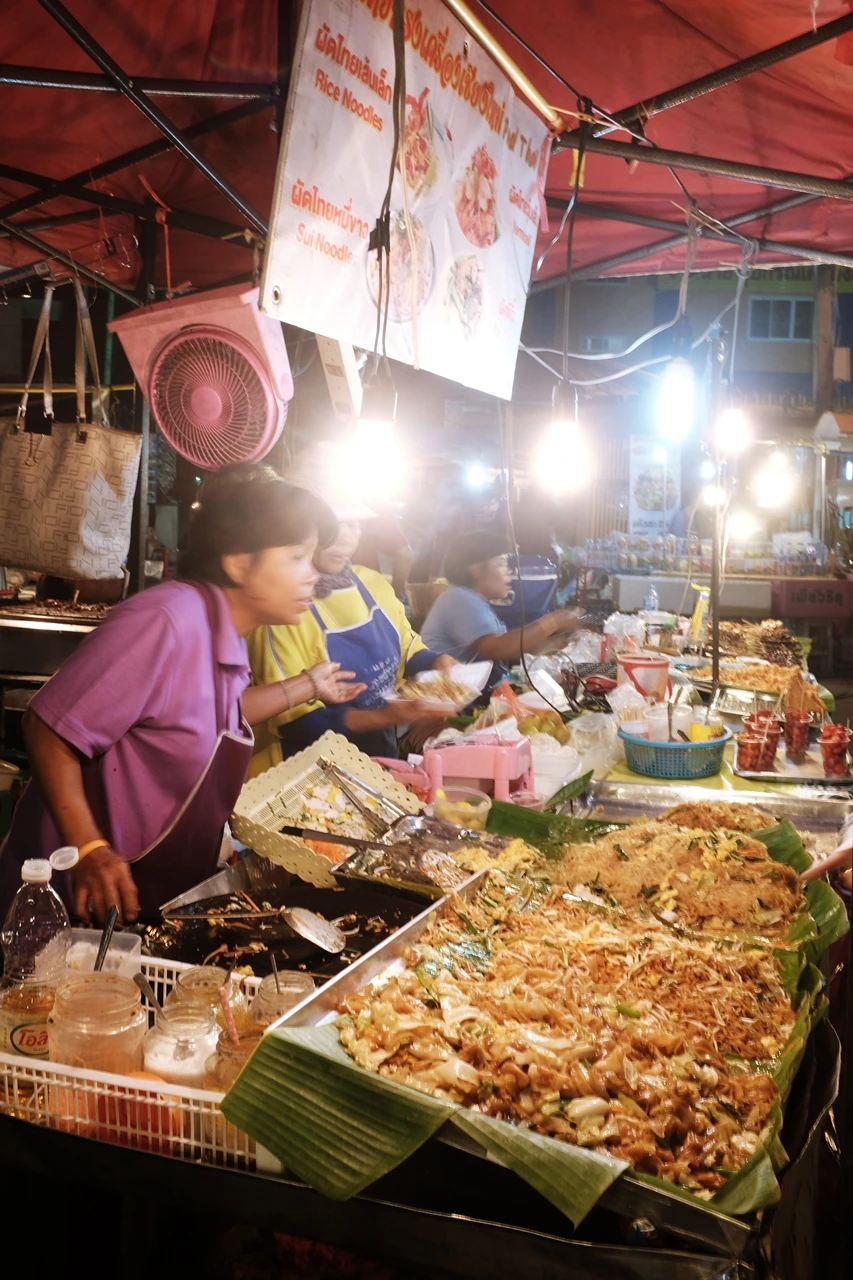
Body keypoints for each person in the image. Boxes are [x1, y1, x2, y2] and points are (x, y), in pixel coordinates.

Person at [0, 470, 365, 925]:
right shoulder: (165, 621)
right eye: (297, 557)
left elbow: (212, 716)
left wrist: (309, 684)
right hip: (69, 899)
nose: (314, 575)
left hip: (144, 896)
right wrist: (90, 849)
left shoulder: (224, 630)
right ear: (238, 563)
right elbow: (48, 727)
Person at [248, 450, 454, 770]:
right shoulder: (282, 610)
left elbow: (408, 647)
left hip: (378, 756)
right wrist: (384, 716)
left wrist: (436, 663)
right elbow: (296, 724)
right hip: (309, 771)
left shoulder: (372, 582)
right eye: (335, 526)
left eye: (354, 525)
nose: (346, 539)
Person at [421, 532, 583, 688]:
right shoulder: (458, 598)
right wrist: (553, 621)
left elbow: (514, 653)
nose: (509, 571)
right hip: (448, 696)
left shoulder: (476, 602)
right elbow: (498, 649)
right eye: (501, 563)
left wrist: (562, 640)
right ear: (476, 569)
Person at [353, 512, 413, 600]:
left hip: (336, 591)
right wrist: (394, 595)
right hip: (370, 592)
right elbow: (405, 555)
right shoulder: (375, 512)